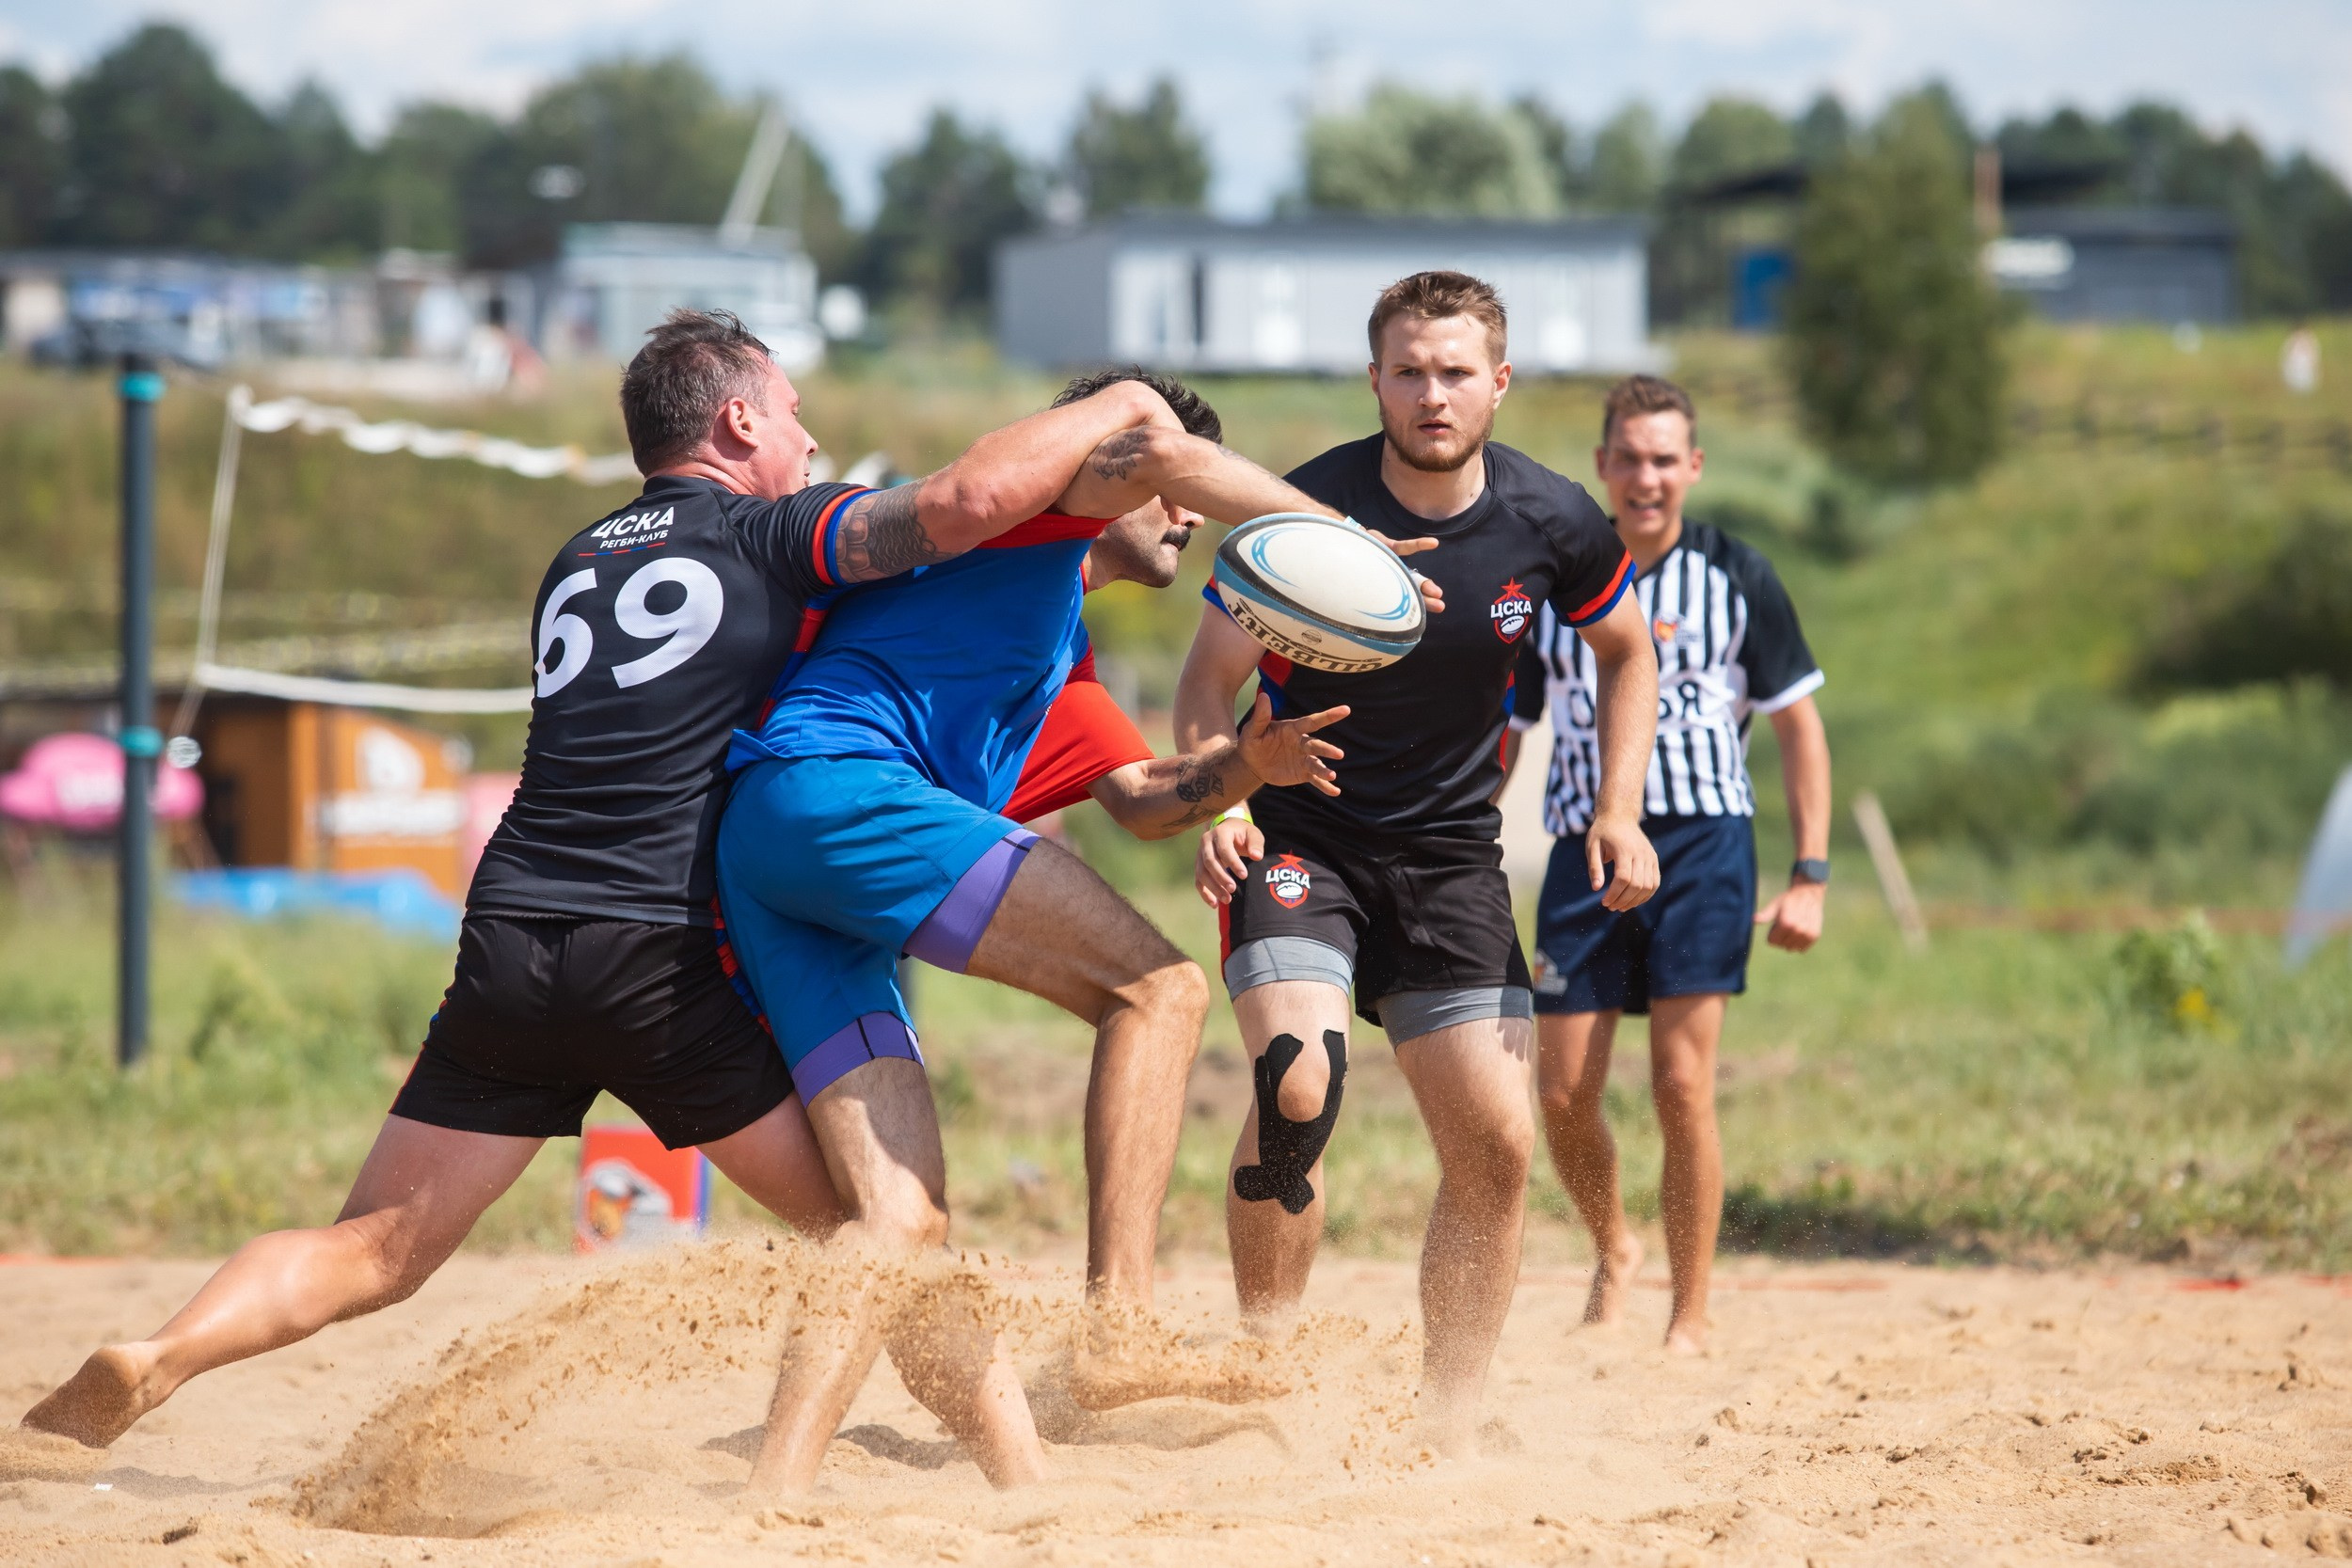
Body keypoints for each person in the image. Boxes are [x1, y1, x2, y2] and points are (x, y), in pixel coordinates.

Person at [16, 309, 1190, 1477]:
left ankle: (161, 1348)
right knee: (876, 1228)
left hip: (512, 930)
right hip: (660, 949)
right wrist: (1113, 412)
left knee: (371, 1248)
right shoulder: (770, 529)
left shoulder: (576, 560)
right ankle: (1017, 1477)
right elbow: (948, 515)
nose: (810, 436)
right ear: (738, 419)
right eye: (793, 411)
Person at [715, 368, 1406, 1496]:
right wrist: (1334, 532)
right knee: (1161, 989)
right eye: (1179, 477)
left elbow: (1138, 796)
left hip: (780, 859)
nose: (1184, 506)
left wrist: (1244, 765)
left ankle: (772, 1490)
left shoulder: (1058, 658)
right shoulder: (1038, 516)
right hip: (833, 791)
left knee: (898, 1217)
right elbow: (1147, 452)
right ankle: (1117, 1326)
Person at [1181, 271, 1661, 1455]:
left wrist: (1621, 809)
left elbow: (1628, 648)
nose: (1431, 393)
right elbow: (1203, 683)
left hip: (1451, 861)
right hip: (1302, 839)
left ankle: (1447, 1417)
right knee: (1298, 1083)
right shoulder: (1304, 511)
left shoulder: (1553, 520)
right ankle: (1268, 1368)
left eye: (1455, 371)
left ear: (1498, 381)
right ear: (1375, 379)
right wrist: (1223, 790)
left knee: (1497, 1147)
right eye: (1408, 369)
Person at [1503, 373, 1831, 1355]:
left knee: (1682, 1084)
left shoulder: (1737, 574)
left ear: (1690, 467)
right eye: (1627, 457)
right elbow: (1505, 729)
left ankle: (1690, 1313)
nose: (1644, 477)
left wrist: (1810, 870)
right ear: (1600, 464)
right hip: (1581, 846)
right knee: (1559, 1091)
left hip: (1702, 844)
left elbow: (1798, 727)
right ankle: (1614, 1242)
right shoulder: (1552, 574)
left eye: (1663, 458)